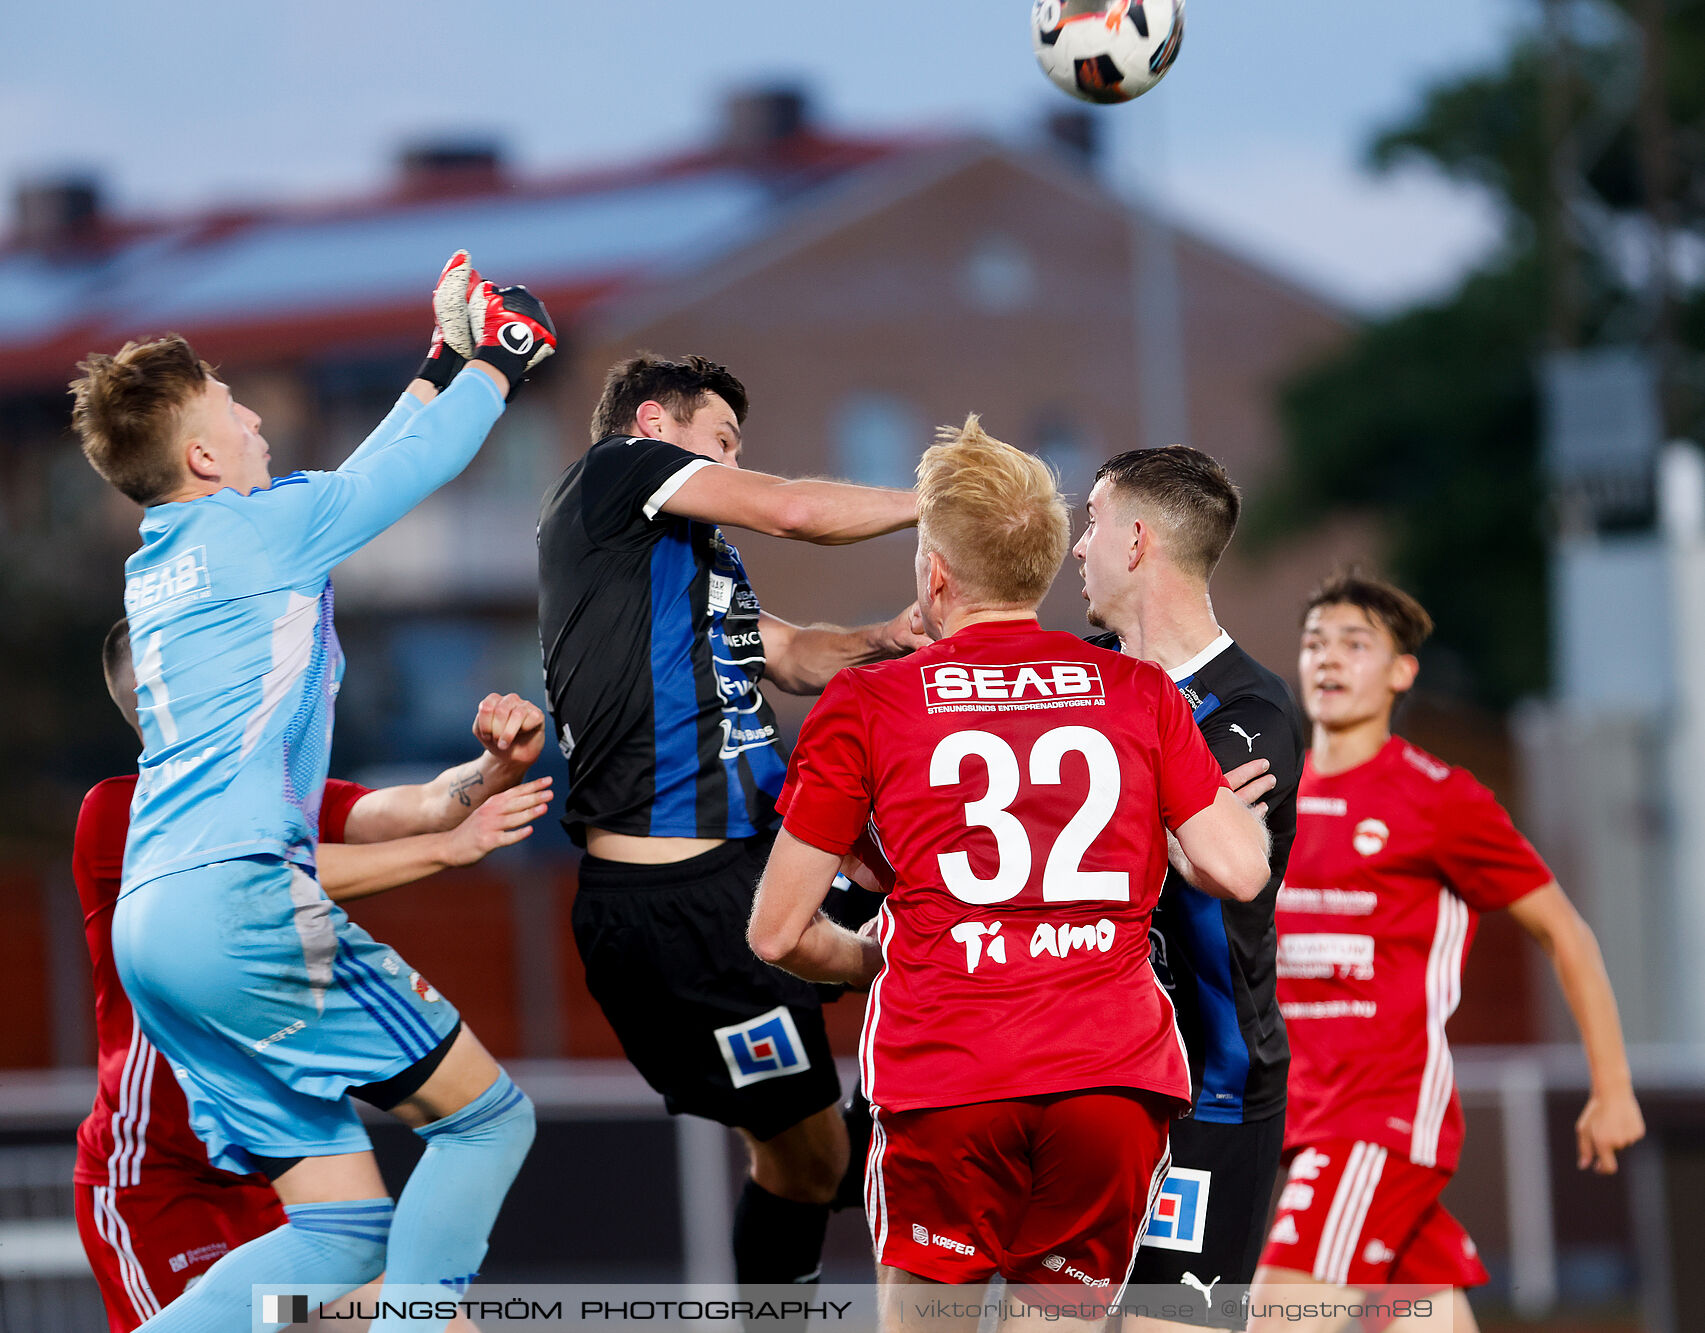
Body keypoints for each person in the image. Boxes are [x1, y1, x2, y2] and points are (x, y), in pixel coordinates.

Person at [70, 251, 557, 1332]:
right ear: (202, 453)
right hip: (241, 904)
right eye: (235, 408)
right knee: (486, 1123)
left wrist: (440, 357)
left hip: (156, 923)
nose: (256, 417)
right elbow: (404, 471)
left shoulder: (166, 558)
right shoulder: (263, 528)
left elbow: (363, 469)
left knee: (341, 1229)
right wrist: (500, 367)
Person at [747, 417, 1271, 1331]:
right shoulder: (1139, 691)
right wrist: (1169, 833)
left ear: (936, 572)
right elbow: (1237, 865)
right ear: (1041, 563)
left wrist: (869, 960)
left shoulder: (868, 701)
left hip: (949, 1075)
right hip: (1112, 1080)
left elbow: (777, 931)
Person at [536, 352, 923, 1288]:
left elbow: (784, 654)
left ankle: (908, 1119)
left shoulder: (687, 557)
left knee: (946, 914)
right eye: (722, 440)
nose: (734, 460)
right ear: (655, 425)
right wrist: (943, 500)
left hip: (746, 869)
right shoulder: (616, 469)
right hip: (680, 901)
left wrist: (887, 638)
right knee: (813, 1162)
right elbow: (793, 506)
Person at [74, 618, 552, 1331]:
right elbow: (262, 879)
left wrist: (494, 768)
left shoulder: (271, 798)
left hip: (276, 1176)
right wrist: (448, 851)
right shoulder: (121, 812)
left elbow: (410, 804)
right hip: (162, 1180)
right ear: (159, 699)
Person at [1250, 572, 1647, 1333]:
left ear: (1402, 672)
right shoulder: (1273, 798)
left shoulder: (1439, 798)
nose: (1327, 660)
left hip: (1375, 1118)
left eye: (1354, 644)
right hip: (1302, 1117)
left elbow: (1564, 929)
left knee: (1274, 1318)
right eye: (1313, 643)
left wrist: (1612, 1084)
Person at [1074, 447, 1305, 1331]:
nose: (1075, 548)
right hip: (1082, 1082)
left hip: (1208, 1091)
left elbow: (1217, 866)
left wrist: (1145, 828)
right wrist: (1168, 822)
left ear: (1135, 541)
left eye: (1091, 521)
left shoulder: (1255, 712)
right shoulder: (1072, 680)